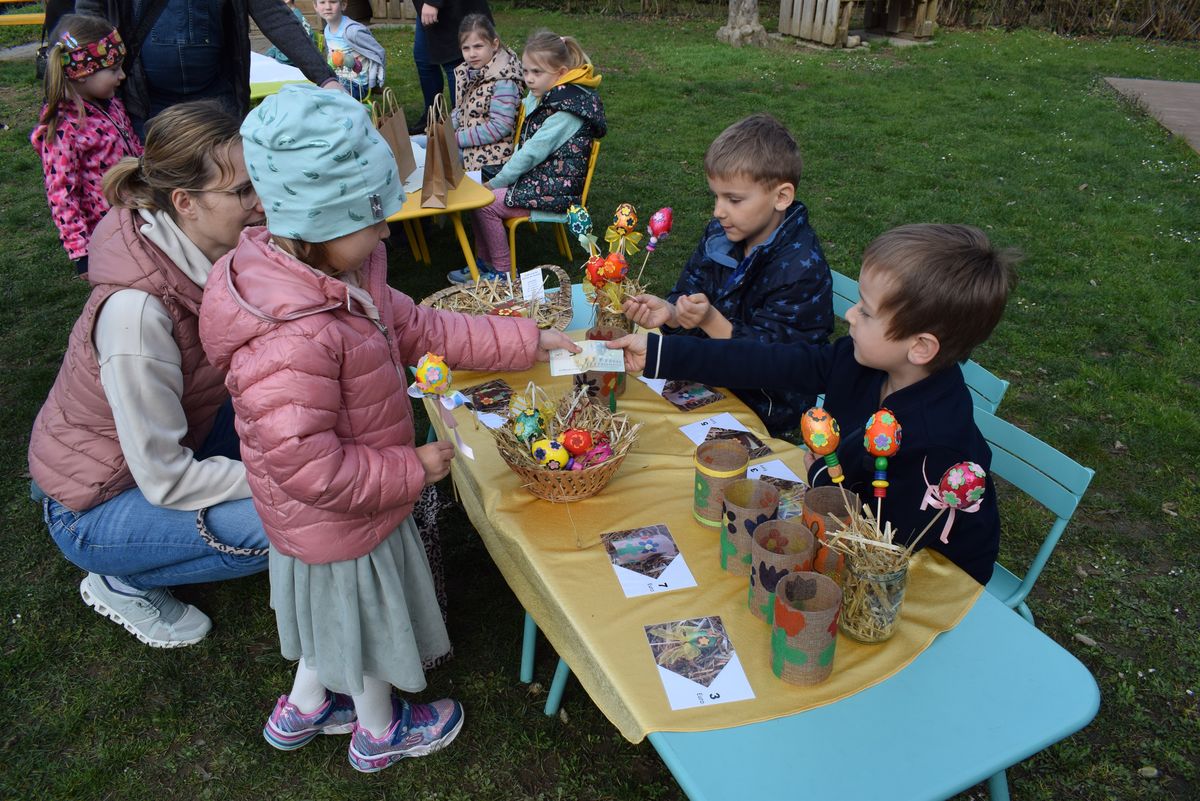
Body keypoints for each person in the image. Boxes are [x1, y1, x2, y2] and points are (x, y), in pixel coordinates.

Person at [198, 84, 579, 771]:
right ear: (320, 221)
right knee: (365, 622)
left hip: (322, 521)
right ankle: (379, 731)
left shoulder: (339, 276)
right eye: (374, 219)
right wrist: (412, 469)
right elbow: (308, 466)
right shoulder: (294, 336)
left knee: (328, 619)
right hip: (345, 517)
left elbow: (420, 326)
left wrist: (524, 341)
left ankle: (306, 705)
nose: (387, 233)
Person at [609, 224, 1019, 585]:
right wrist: (663, 353)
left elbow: (884, 542)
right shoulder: (863, 362)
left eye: (867, 312)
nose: (850, 315)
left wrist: (823, 473)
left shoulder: (936, 440)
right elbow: (770, 362)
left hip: (932, 583)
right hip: (844, 530)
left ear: (920, 347)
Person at [27, 101, 271, 648]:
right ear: (184, 203)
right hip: (100, 502)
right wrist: (289, 475)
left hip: (177, 436)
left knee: (298, 410)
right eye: (243, 193)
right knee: (298, 517)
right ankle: (120, 577)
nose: (262, 205)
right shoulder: (136, 317)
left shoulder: (210, 249)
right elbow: (166, 478)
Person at [621, 114, 833, 437]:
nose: (718, 211)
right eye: (716, 197)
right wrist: (673, 313)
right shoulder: (721, 234)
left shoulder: (800, 268)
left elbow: (774, 364)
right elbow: (689, 289)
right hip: (708, 384)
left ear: (781, 197)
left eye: (733, 199)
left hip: (766, 414)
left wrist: (709, 321)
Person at [448, 29, 606, 285]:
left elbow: (530, 154)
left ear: (561, 73)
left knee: (484, 201)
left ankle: (503, 272)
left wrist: (496, 182)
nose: (529, 80)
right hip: (542, 180)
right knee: (475, 195)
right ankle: (485, 262)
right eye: (526, 71)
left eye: (537, 73)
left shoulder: (565, 113)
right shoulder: (552, 96)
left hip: (554, 190)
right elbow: (527, 115)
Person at [76, 0, 338, 131]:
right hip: (145, 107)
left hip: (216, 102)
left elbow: (273, 15)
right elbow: (88, 13)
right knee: (155, 207)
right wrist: (87, 79)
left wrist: (325, 78)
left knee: (223, 201)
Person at [32, 14, 142, 275]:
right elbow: (62, 196)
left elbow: (131, 144)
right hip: (104, 236)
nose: (122, 76)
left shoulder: (110, 104)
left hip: (134, 215)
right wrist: (81, 252)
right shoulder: (62, 127)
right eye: (113, 70)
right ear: (82, 72)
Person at [452, 14, 522, 182]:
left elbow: (500, 127)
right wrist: (444, 129)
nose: (472, 54)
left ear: (494, 44)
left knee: (429, 157)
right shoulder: (471, 73)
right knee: (418, 143)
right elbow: (461, 110)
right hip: (471, 146)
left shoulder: (503, 81)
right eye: (466, 48)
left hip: (491, 157)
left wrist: (455, 139)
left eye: (478, 46)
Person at [410, 0, 492, 124]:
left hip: (452, 7)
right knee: (424, 61)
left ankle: (463, 120)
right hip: (426, 6)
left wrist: (433, 2)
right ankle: (432, 117)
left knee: (453, 62)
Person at [314, 0, 385, 101]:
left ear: (343, 5)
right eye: (322, 2)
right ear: (315, 6)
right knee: (314, 94)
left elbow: (377, 51)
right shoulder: (327, 30)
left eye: (333, 2)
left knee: (331, 99)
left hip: (357, 84)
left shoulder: (353, 31)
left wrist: (375, 80)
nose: (328, 7)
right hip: (337, 79)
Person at [265, 0, 320, 66]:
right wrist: (269, 55)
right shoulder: (285, 17)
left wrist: (276, 60)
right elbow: (278, 41)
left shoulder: (295, 20)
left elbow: (299, 53)